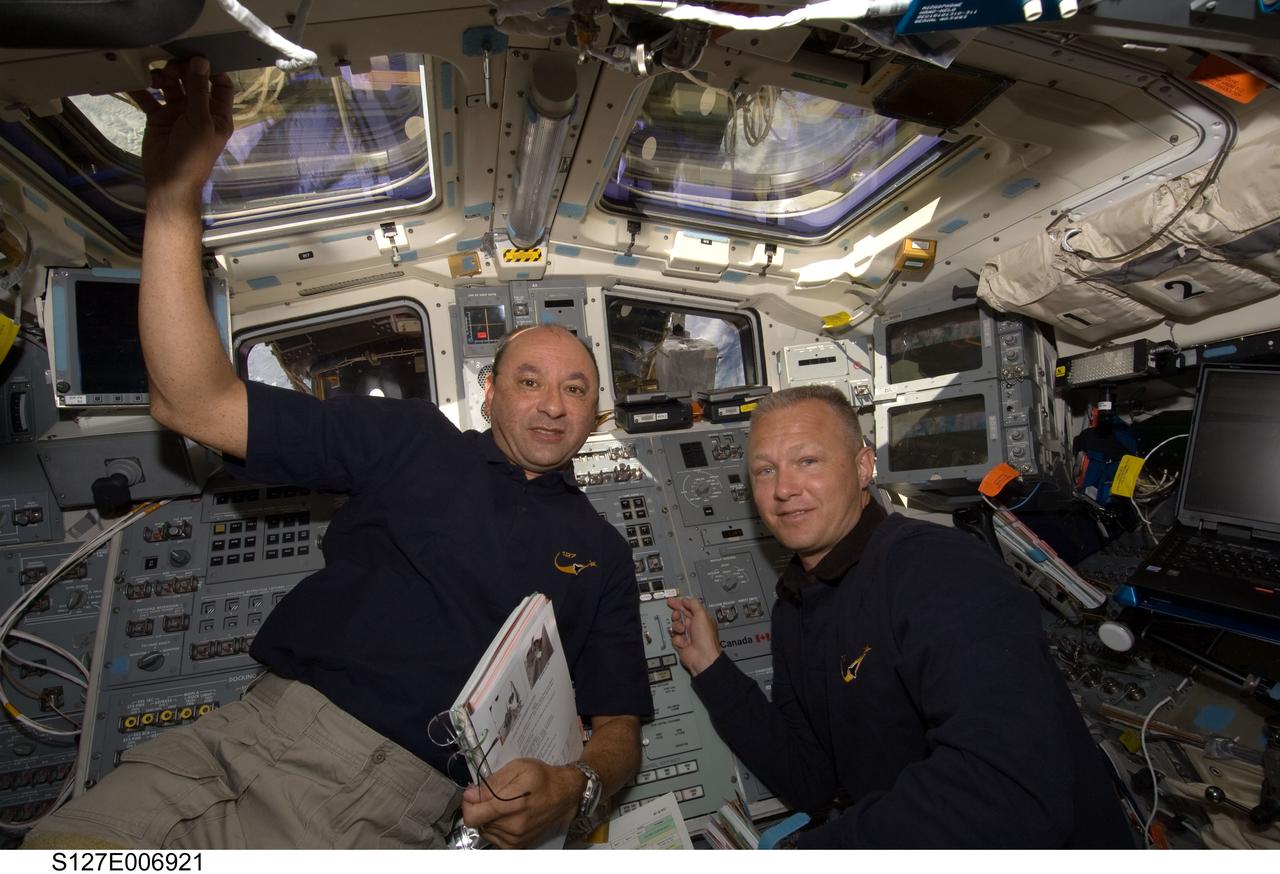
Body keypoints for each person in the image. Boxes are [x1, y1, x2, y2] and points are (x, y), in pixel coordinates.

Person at [24, 57, 650, 850]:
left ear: (596, 418)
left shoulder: (601, 554)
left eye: (575, 388)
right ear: (488, 392)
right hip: (235, 733)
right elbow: (195, 402)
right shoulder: (412, 439)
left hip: (375, 794)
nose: (553, 403)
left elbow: (619, 728)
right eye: (530, 380)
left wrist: (574, 784)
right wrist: (174, 196)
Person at [668, 385, 1133, 848]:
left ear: (863, 466)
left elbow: (1006, 792)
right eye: (765, 470)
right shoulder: (795, 607)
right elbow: (808, 779)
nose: (784, 489)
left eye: (807, 461)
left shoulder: (938, 568)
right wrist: (712, 669)